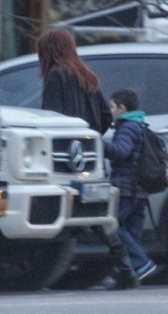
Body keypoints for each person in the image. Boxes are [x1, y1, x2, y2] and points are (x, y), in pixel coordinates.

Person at [37, 29, 137, 289]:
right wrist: (89, 139)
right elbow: (106, 117)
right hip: (89, 158)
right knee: (96, 214)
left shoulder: (56, 76)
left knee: (57, 209)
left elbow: (50, 118)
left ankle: (45, 271)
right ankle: (125, 267)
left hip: (64, 158)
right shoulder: (87, 76)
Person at [105, 89, 157, 282]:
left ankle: (142, 264)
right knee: (132, 235)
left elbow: (121, 152)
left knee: (113, 226)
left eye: (111, 107)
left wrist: (98, 144)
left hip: (127, 188)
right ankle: (127, 275)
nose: (110, 111)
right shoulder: (139, 125)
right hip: (139, 190)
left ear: (122, 108)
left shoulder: (127, 127)